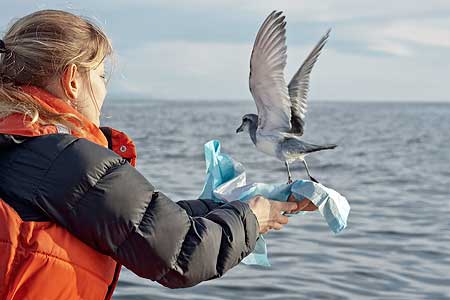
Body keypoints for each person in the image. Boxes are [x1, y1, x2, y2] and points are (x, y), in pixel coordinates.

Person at [0, 9, 317, 300]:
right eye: (100, 77)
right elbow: (183, 254)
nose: (104, 91)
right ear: (72, 81)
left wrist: (225, 205)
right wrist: (253, 217)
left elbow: (138, 223)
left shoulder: (16, 143)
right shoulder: (65, 158)